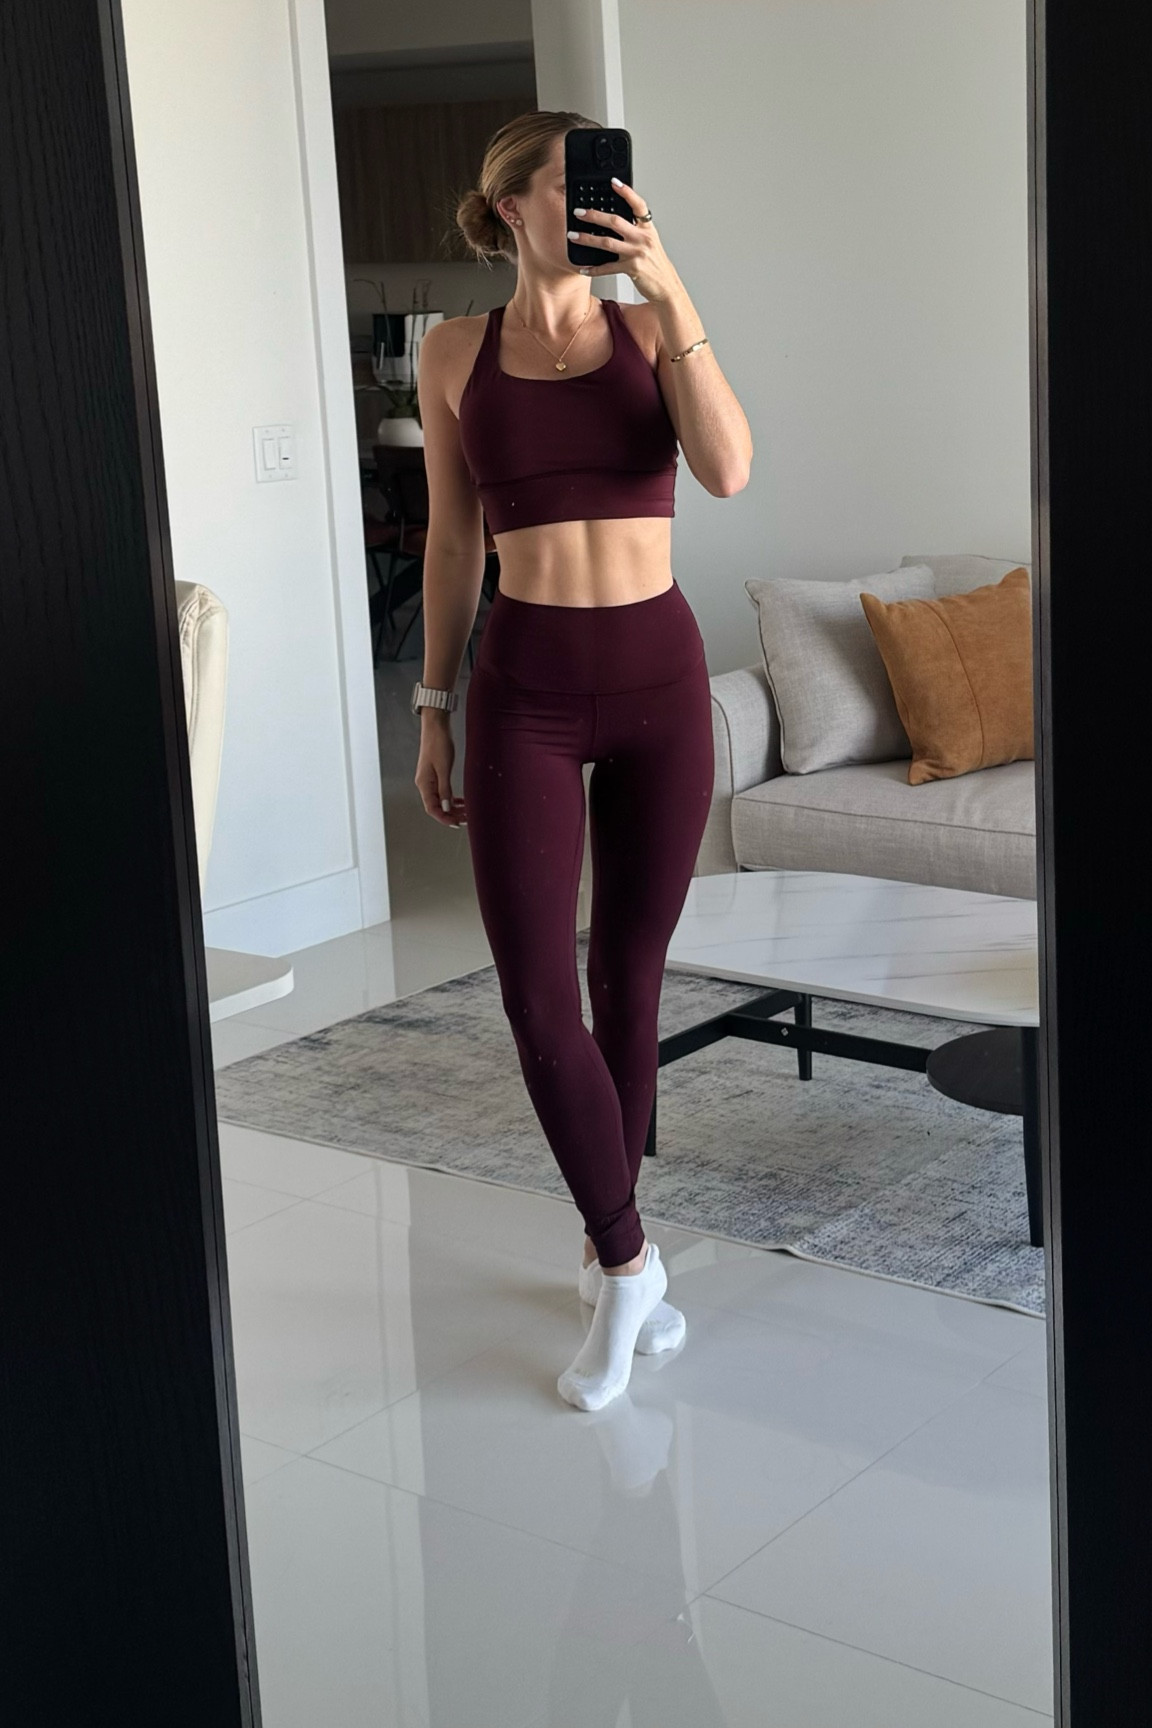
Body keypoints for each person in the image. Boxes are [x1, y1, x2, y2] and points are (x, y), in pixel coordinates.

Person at [412, 111, 753, 1410]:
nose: (602, 204)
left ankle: (618, 1244)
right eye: (572, 186)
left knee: (630, 975)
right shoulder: (453, 352)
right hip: (527, 696)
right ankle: (626, 1265)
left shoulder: (654, 329)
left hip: (661, 685)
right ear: (513, 206)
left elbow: (727, 470)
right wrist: (433, 705)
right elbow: (453, 542)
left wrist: (673, 287)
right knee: (536, 995)